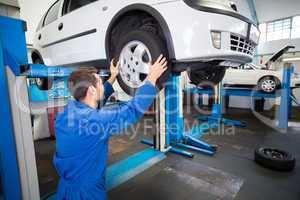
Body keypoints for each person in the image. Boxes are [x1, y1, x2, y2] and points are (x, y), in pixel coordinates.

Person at [53, 55, 168, 200]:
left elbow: (94, 105)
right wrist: (151, 78)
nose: (102, 85)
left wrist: (113, 76)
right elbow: (132, 110)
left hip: (64, 190)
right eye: (100, 83)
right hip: (86, 194)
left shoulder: (65, 115)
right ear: (91, 91)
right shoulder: (94, 122)